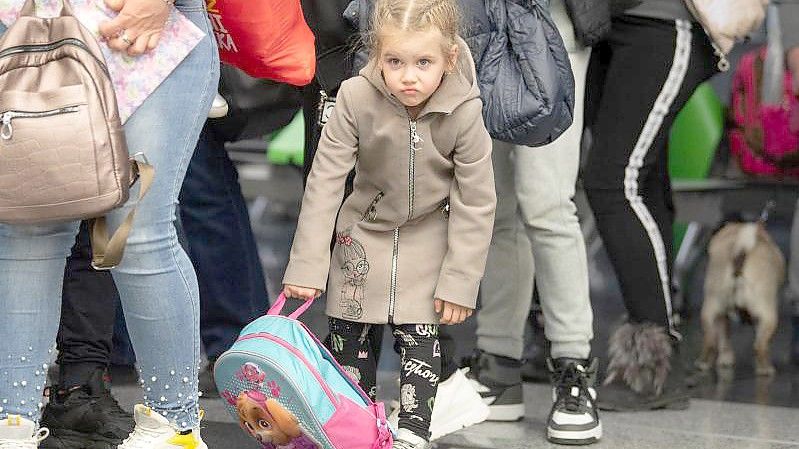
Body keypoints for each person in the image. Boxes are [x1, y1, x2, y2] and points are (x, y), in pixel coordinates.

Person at [0, 0, 219, 447]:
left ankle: (172, 424)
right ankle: (12, 420)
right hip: (31, 24)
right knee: (29, 228)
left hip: (152, 34)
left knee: (137, 236)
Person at [282, 0, 496, 447]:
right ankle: (357, 430)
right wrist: (307, 264)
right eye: (394, 62)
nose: (408, 76)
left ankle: (413, 434)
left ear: (449, 59)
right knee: (351, 348)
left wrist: (460, 280)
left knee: (421, 345)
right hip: (360, 239)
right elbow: (325, 181)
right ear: (376, 55)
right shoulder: (355, 98)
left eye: (423, 63)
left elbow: (476, 201)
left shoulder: (465, 110)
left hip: (428, 242)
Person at [465, 0, 600, 444]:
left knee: (546, 204)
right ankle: (498, 364)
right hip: (475, 17)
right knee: (495, 206)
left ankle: (573, 364)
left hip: (550, 15)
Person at [582, 0, 718, 411]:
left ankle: (654, 361)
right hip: (607, 23)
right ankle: (660, 355)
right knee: (644, 180)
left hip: (664, 21)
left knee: (613, 181)